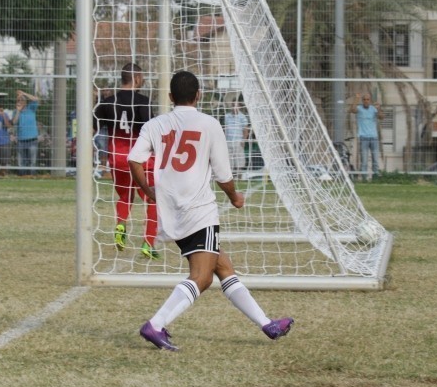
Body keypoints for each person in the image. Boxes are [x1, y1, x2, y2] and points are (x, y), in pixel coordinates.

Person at [129, 70, 293, 351]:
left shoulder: (155, 124)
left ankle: (268, 325)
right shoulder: (209, 124)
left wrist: (147, 190)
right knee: (202, 277)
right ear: (198, 96)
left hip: (170, 208)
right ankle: (155, 324)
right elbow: (223, 174)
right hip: (198, 209)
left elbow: (134, 160)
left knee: (223, 267)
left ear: (170, 97)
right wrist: (234, 197)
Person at [93, 63, 158, 259]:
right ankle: (148, 244)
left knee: (124, 196)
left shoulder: (107, 102)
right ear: (137, 78)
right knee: (154, 199)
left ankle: (120, 224)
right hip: (141, 159)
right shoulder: (143, 101)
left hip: (118, 158)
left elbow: (92, 128)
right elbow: (150, 131)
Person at [349, 92, 380, 180]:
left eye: (368, 99)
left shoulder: (373, 109)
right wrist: (356, 98)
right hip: (363, 137)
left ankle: (376, 177)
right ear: (362, 101)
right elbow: (352, 110)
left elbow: (381, 117)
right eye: (364, 99)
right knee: (364, 160)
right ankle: (364, 178)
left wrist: (379, 108)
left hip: (374, 137)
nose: (366, 101)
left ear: (370, 100)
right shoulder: (359, 108)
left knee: (375, 159)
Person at [11, 90, 41, 175]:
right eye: (18, 100)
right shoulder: (15, 111)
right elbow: (14, 122)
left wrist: (24, 93)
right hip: (21, 140)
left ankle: (32, 178)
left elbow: (36, 99)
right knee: (21, 163)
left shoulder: (31, 108)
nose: (19, 102)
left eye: (21, 100)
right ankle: (22, 178)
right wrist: (18, 111)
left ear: (25, 102)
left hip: (32, 140)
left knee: (32, 162)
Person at [222, 100, 250, 172]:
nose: (234, 107)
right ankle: (230, 175)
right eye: (233, 105)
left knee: (239, 160)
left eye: (236, 106)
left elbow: (246, 130)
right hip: (228, 141)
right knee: (229, 160)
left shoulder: (242, 117)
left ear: (239, 107)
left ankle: (238, 176)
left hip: (238, 141)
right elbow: (225, 129)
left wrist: (243, 140)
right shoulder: (227, 116)